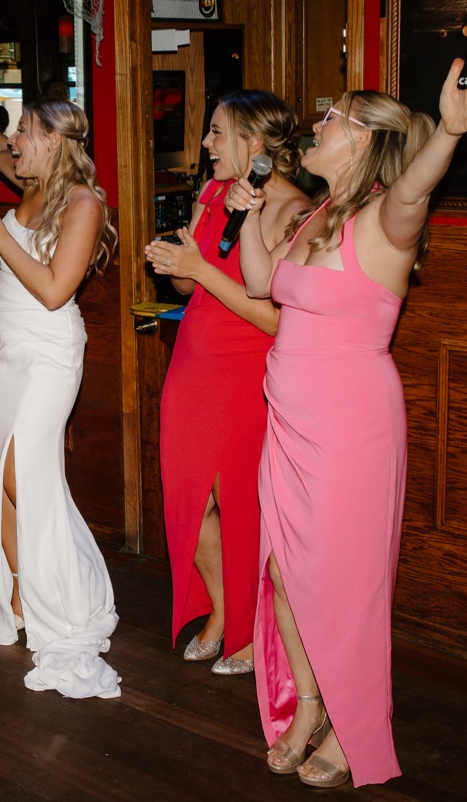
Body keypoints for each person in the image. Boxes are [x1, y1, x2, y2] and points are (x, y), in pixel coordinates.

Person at [230, 60, 467, 788]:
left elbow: (417, 188)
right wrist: (254, 212)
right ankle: (310, 704)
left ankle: (358, 729)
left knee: (344, 585)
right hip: (289, 425)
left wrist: (448, 132)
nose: (317, 123)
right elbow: (263, 284)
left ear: (361, 141)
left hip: (349, 428)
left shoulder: (387, 217)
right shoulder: (317, 213)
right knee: (284, 574)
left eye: (332, 117)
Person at [142, 91, 309, 676]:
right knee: (192, 496)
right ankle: (220, 609)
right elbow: (191, 289)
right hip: (194, 361)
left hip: (247, 371)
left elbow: (276, 318)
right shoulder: (212, 193)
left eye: (216, 132)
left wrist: (199, 270)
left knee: (236, 502)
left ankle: (242, 628)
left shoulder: (295, 210)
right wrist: (176, 263)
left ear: (253, 144)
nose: (206, 144)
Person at [0, 95, 121, 699]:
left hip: (46, 353)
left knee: (20, 475)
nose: (14, 143)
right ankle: (24, 584)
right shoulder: (25, 181)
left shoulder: (83, 203)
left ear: (54, 142)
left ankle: (67, 590)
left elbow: (56, 291)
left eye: (23, 132)